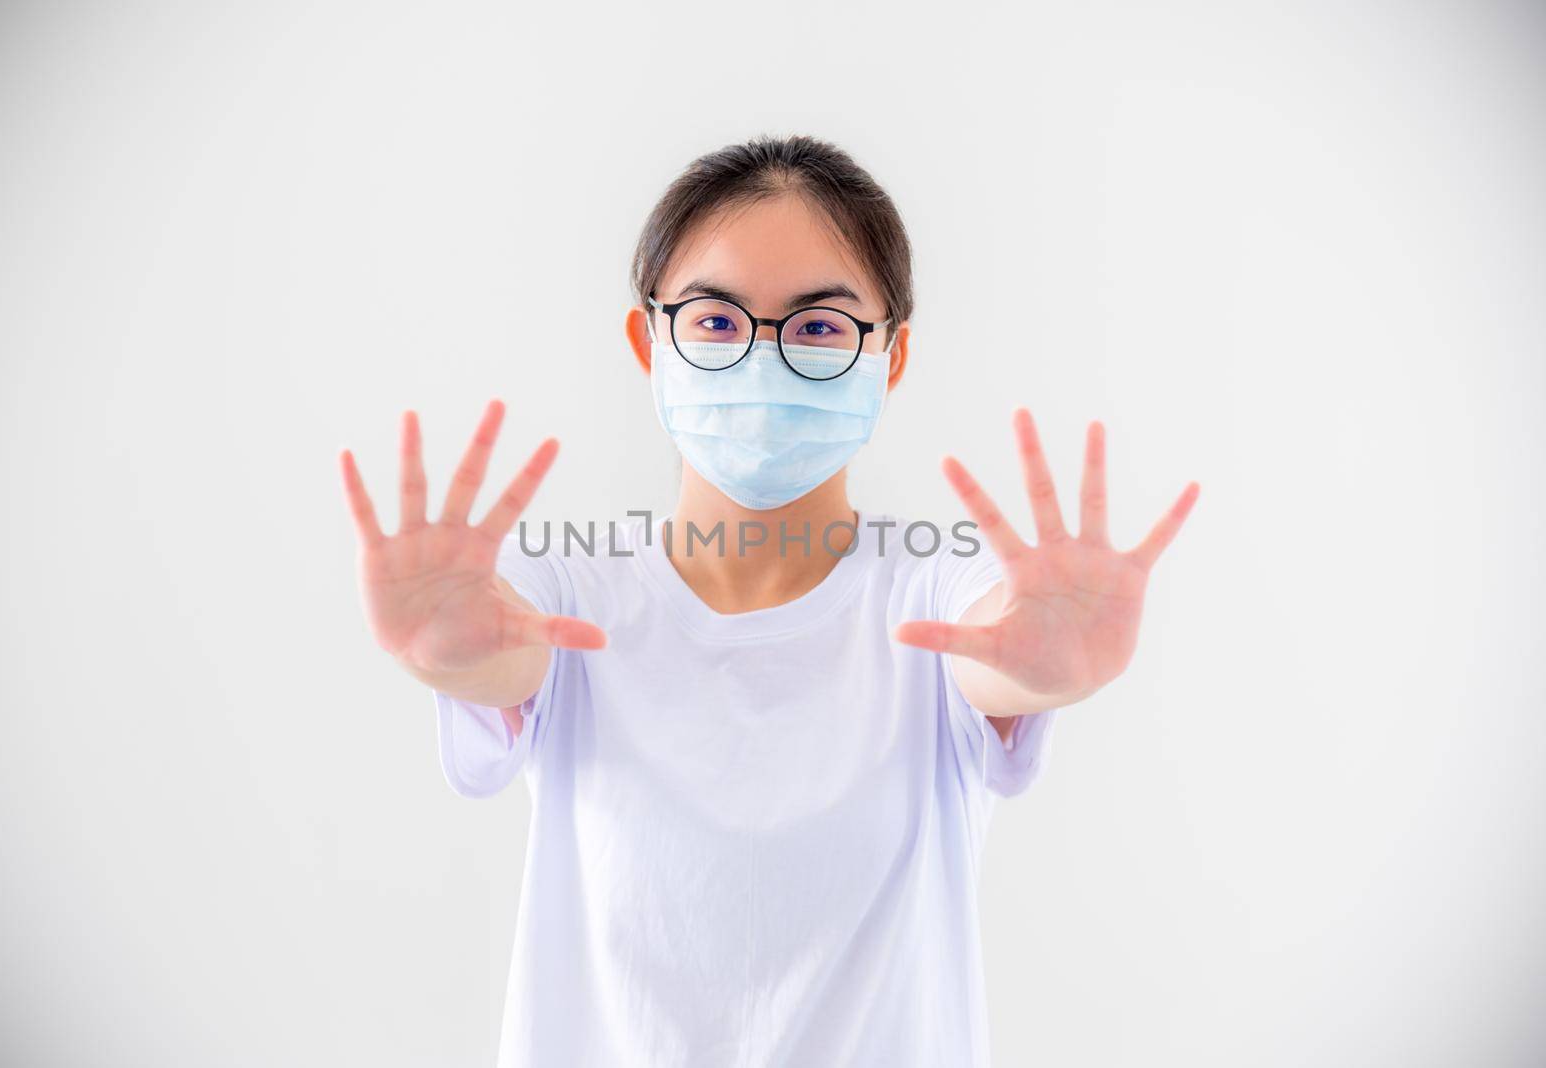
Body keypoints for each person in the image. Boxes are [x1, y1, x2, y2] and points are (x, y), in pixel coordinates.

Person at [338, 134, 1198, 1067]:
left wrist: (1043, 661)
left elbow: (995, 656)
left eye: (819, 327)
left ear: (891, 356)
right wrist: (441, 647)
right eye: (715, 320)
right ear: (649, 339)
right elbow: (493, 655)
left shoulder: (935, 596)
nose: (763, 361)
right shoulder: (568, 596)